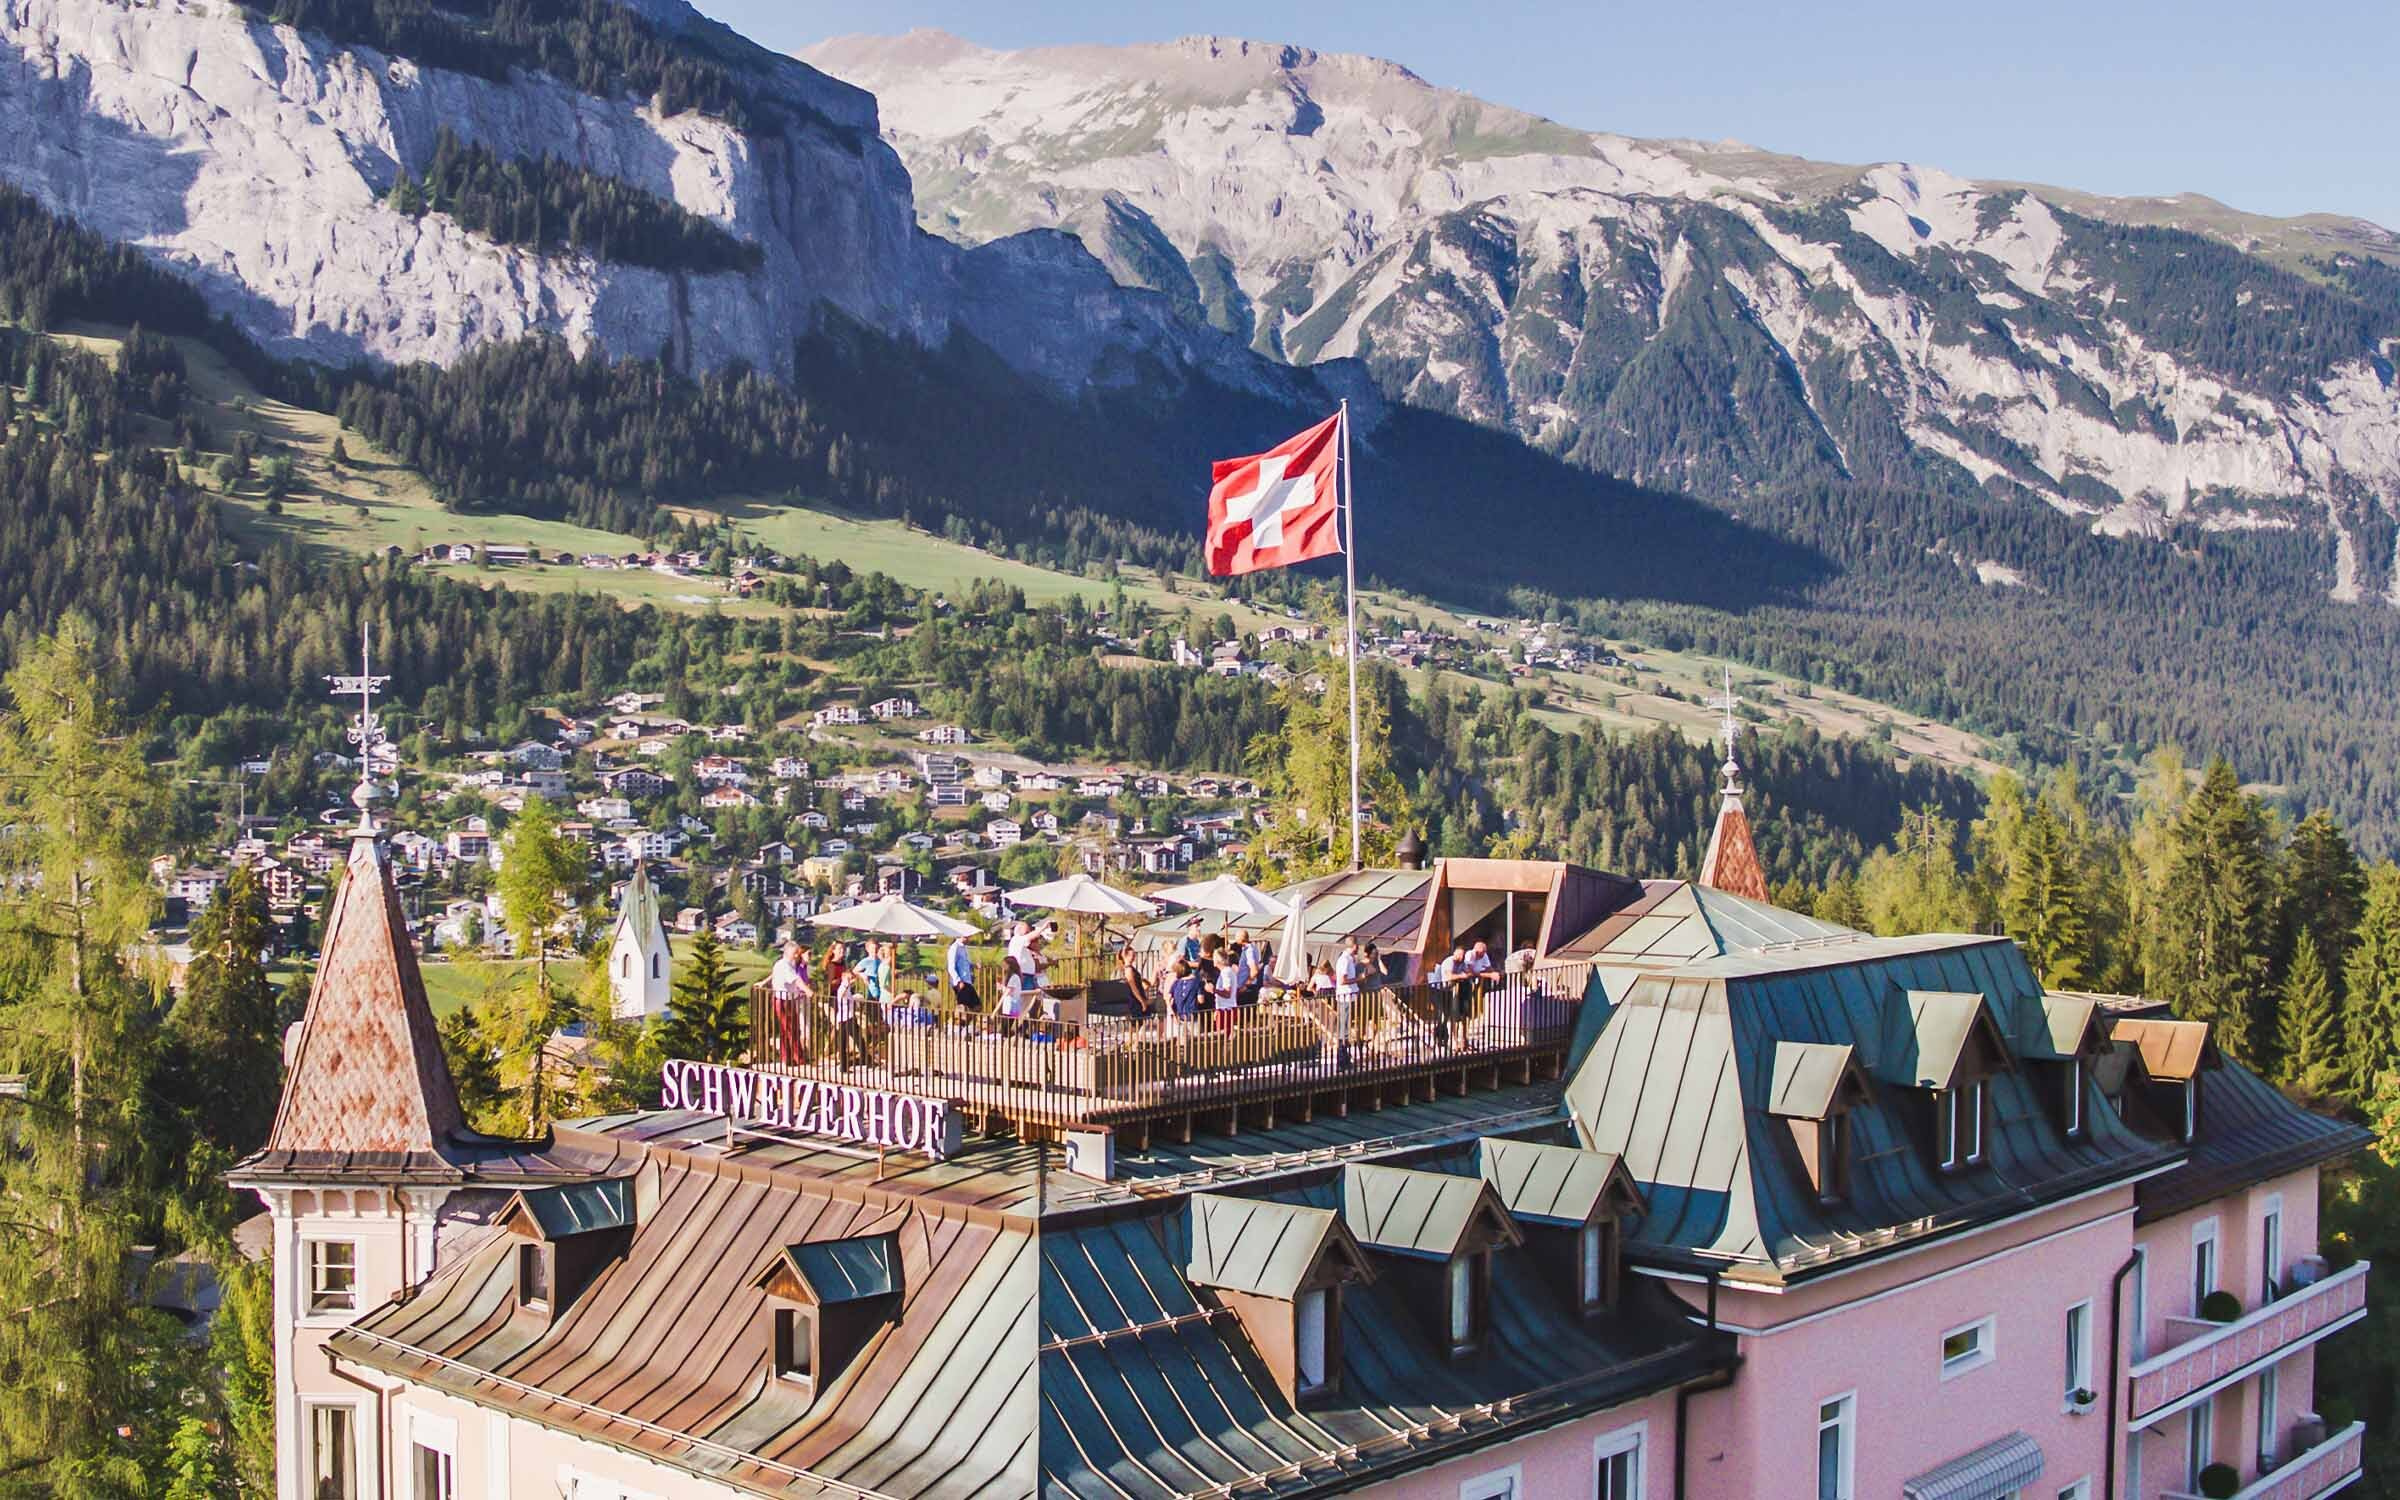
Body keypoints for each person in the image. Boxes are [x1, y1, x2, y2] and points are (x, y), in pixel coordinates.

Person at [832, 962, 865, 1069]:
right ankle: (845, 1064)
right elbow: (841, 994)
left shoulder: (848, 988)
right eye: (847, 978)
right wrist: (847, 984)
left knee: (856, 1038)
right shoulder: (842, 987)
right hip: (845, 1018)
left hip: (848, 1016)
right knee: (847, 1040)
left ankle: (862, 1058)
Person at [946, 930, 979, 1012]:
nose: (968, 939)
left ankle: (967, 1019)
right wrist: (958, 981)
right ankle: (958, 1019)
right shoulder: (954, 948)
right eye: (966, 937)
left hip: (967, 981)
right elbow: (951, 967)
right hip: (961, 982)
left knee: (975, 1006)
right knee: (963, 1007)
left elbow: (965, 962)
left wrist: (974, 965)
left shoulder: (964, 948)